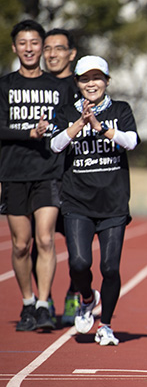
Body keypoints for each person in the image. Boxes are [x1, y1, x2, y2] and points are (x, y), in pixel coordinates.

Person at [50, 55, 140, 346]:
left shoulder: (121, 109)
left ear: (107, 81)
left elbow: (132, 142)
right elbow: (54, 145)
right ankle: (87, 297)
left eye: (97, 78)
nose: (92, 83)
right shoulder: (65, 112)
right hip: (77, 201)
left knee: (110, 268)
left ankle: (107, 325)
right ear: (77, 83)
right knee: (78, 263)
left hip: (113, 202)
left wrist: (100, 126)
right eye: (85, 79)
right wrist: (79, 124)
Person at [0, 19, 69, 332]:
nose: (29, 48)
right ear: (15, 48)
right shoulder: (4, 86)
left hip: (48, 172)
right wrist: (30, 132)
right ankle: (27, 302)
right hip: (13, 173)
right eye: (23, 43)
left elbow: (68, 127)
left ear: (43, 47)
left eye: (35, 43)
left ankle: (44, 304)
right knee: (20, 245)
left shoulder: (59, 88)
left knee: (45, 239)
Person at [41, 28, 81, 325]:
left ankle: (72, 293)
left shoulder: (80, 88)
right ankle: (43, 301)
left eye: (59, 48)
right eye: (47, 48)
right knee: (36, 240)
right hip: (38, 174)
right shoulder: (32, 86)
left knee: (77, 245)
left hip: (71, 177)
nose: (52, 54)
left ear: (71, 53)